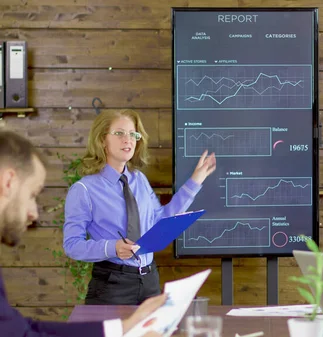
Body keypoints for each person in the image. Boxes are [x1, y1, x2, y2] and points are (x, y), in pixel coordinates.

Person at [0, 129, 165, 336]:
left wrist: (123, 328)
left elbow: (22, 329)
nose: (34, 213)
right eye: (32, 195)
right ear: (9, 182)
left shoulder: (139, 181)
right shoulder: (85, 189)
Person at [62, 109, 216, 305]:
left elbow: (160, 220)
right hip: (112, 286)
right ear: (102, 140)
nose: (128, 139)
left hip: (149, 280)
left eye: (133, 134)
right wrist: (112, 248)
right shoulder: (83, 189)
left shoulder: (139, 180)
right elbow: (72, 245)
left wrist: (196, 180)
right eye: (119, 133)